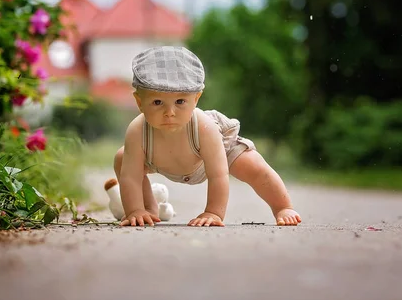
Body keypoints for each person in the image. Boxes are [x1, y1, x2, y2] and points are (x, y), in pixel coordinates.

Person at [113, 46, 302, 227]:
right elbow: (130, 177)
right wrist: (133, 210)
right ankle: (146, 209)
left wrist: (213, 212)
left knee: (253, 166)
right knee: (122, 159)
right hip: (160, 160)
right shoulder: (137, 131)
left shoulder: (205, 127)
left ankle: (282, 207)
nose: (169, 112)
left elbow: (218, 174)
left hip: (214, 155)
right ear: (139, 102)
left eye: (180, 101)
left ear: (195, 99)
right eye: (157, 102)